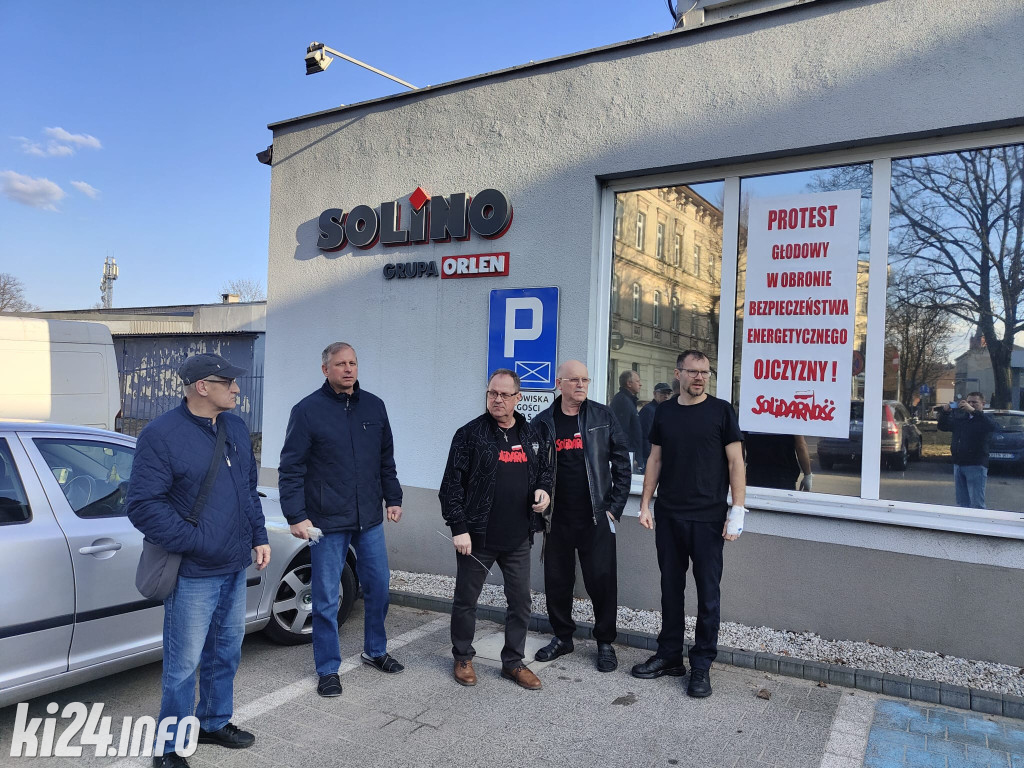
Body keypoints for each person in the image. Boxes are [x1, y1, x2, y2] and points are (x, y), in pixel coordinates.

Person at [127, 353, 270, 768]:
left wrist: (258, 536)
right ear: (202, 387)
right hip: (193, 572)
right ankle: (168, 746)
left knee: (226, 652)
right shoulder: (161, 434)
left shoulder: (236, 428)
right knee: (183, 664)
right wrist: (196, 541)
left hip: (233, 566)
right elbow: (143, 506)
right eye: (228, 382)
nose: (237, 388)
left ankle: (212, 722)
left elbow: (247, 490)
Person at [278, 342, 404, 699]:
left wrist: (393, 498)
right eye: (340, 364)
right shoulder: (307, 411)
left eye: (353, 363)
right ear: (325, 369)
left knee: (378, 587)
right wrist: (296, 515)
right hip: (326, 521)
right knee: (325, 597)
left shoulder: (374, 407)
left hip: (369, 518)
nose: (348, 369)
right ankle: (328, 668)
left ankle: (375, 650)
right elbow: (291, 468)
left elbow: (386, 459)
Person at [634, 349, 746, 699]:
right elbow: (655, 458)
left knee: (708, 594)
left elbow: (736, 463)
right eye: (693, 372)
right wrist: (645, 504)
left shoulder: (721, 411)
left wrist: (737, 510)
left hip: (709, 518)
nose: (700, 378)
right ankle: (669, 655)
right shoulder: (663, 413)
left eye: (705, 372)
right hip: (669, 515)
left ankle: (701, 665)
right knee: (670, 588)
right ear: (678, 373)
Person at [439, 369, 552, 690]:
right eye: (492, 393)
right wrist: (458, 527)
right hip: (477, 538)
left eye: (504, 394)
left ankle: (513, 662)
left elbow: (544, 472)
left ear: (519, 398)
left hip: (518, 538)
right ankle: (462, 657)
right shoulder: (469, 434)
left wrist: (544, 493)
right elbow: (451, 487)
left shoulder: (531, 434)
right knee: (466, 600)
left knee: (520, 603)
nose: (497, 399)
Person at [532, 360, 631, 671]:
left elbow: (622, 463)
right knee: (558, 581)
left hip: (596, 516)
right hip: (557, 518)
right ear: (559, 383)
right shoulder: (543, 422)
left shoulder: (603, 416)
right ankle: (563, 637)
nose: (581, 385)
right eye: (573, 380)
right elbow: (533, 470)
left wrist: (614, 509)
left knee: (601, 581)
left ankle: (605, 642)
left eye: (585, 379)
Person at [938, 392, 996, 508]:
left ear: (983, 404)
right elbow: (943, 426)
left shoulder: (984, 419)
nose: (971, 404)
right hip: (959, 464)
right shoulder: (961, 419)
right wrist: (945, 412)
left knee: (977, 503)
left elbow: (993, 427)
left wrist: (974, 412)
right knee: (962, 503)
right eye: (968, 402)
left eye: (974, 402)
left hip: (976, 464)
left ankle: (978, 525)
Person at [743, 432, 813, 491]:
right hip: (784, 475)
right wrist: (808, 475)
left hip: (755, 474)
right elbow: (800, 446)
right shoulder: (788, 419)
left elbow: (740, 447)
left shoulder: (751, 418)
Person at [610, 369, 643, 470]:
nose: (640, 384)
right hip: (627, 455)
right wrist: (630, 456)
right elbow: (622, 432)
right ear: (629, 383)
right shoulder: (623, 401)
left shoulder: (628, 400)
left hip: (630, 453)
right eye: (637, 381)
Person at [640, 383, 674, 465]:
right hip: (650, 457)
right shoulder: (649, 410)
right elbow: (646, 436)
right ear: (655, 394)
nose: (666, 396)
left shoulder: (663, 410)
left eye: (668, 393)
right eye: (663, 393)